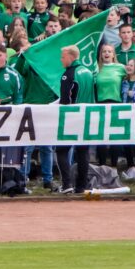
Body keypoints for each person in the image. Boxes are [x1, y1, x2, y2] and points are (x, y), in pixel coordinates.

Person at [56, 45, 95, 194]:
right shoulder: (88, 72)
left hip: (72, 116)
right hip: (87, 116)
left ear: (71, 57)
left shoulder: (69, 74)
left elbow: (65, 100)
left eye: (63, 57)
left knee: (61, 149)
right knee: (83, 150)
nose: (61, 59)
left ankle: (67, 185)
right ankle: (81, 186)